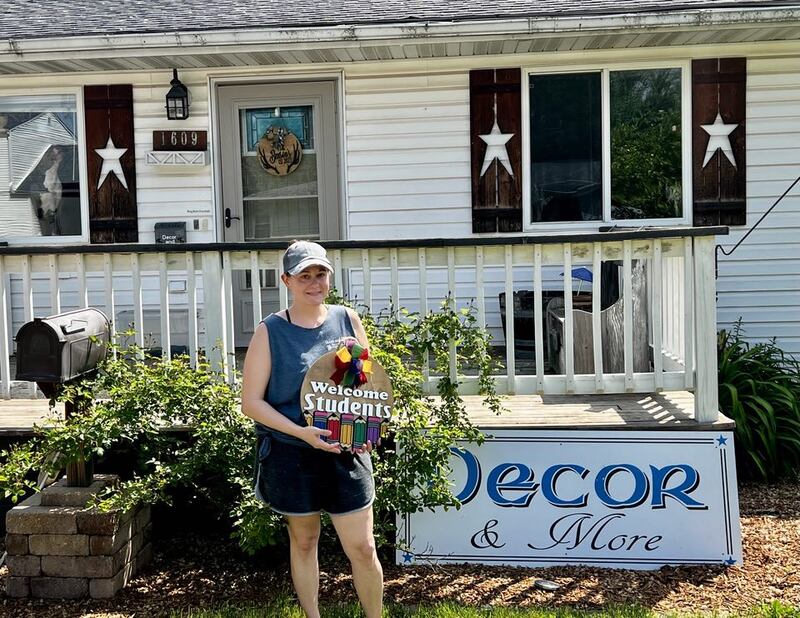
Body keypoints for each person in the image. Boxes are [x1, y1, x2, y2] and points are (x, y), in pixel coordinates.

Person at [240, 240, 383, 618]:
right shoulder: (270, 331)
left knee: (364, 547)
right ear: (286, 280)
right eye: (305, 275)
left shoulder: (347, 319)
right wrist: (302, 433)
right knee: (304, 543)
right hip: (292, 452)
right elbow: (251, 403)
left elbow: (363, 384)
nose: (314, 283)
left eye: (320, 274)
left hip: (344, 452)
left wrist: (364, 426)